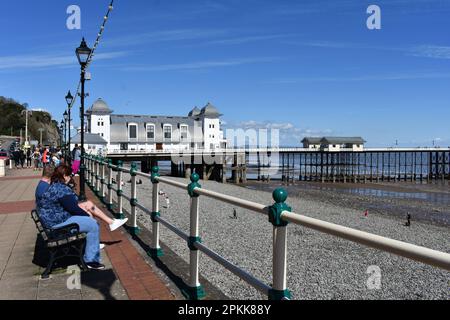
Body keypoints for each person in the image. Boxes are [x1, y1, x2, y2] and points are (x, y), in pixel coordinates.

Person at [35, 165, 128, 233]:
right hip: (56, 221)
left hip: (53, 216)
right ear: (64, 176)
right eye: (69, 175)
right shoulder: (56, 187)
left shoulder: (47, 186)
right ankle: (94, 240)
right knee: (88, 213)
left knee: (88, 204)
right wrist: (86, 215)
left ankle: (110, 222)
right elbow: (71, 207)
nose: (71, 177)